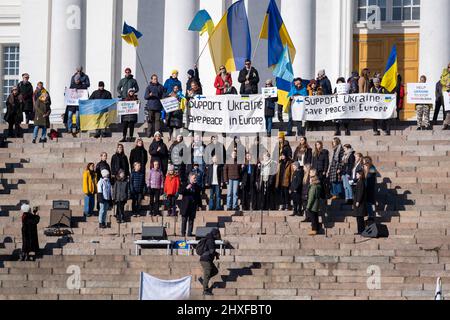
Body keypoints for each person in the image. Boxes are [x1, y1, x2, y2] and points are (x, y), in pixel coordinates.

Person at [199, 228, 221, 296]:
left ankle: (203, 280)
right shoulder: (210, 240)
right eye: (218, 234)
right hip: (206, 260)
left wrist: (215, 253)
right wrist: (216, 254)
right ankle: (205, 290)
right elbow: (211, 251)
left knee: (215, 271)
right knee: (207, 274)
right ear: (215, 234)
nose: (218, 236)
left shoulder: (209, 238)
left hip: (207, 259)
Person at [180, 172, 202, 237]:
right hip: (185, 206)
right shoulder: (185, 184)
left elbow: (198, 196)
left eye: (196, 178)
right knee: (184, 220)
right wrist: (187, 188)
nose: (195, 179)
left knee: (191, 220)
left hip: (193, 206)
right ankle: (183, 233)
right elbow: (180, 191)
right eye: (194, 178)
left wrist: (200, 205)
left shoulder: (197, 186)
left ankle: (189, 233)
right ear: (190, 178)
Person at [306, 171, 322, 236]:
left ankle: (314, 229)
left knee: (313, 218)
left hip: (312, 205)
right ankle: (316, 229)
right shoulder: (318, 186)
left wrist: (308, 206)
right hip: (316, 204)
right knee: (315, 216)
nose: (309, 180)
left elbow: (311, 198)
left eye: (310, 179)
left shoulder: (313, 187)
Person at [353, 170, 368, 235]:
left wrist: (358, 201)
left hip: (360, 203)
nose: (356, 175)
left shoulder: (361, 182)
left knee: (360, 218)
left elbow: (360, 193)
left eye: (357, 174)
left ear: (360, 175)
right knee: (358, 218)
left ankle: (361, 230)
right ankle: (360, 230)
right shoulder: (359, 181)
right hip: (357, 201)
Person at [363, 156, 377, 222]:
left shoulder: (372, 167)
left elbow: (369, 176)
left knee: (369, 202)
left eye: (364, 161)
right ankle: (370, 215)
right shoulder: (368, 168)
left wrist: (366, 171)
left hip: (370, 187)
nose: (363, 163)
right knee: (368, 202)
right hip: (367, 187)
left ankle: (371, 216)